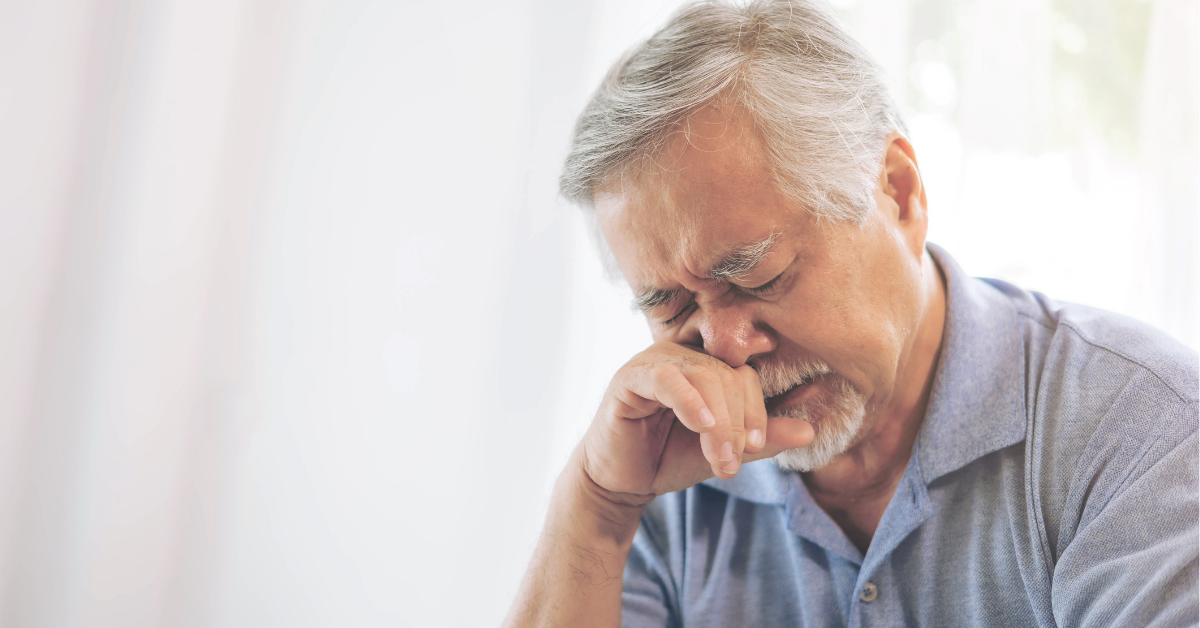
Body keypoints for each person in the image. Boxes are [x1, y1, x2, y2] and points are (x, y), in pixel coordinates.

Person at [504, 1, 1199, 626]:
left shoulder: (1141, 429)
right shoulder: (662, 467)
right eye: (671, 306)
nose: (725, 346)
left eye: (757, 277)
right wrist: (595, 509)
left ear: (898, 193)